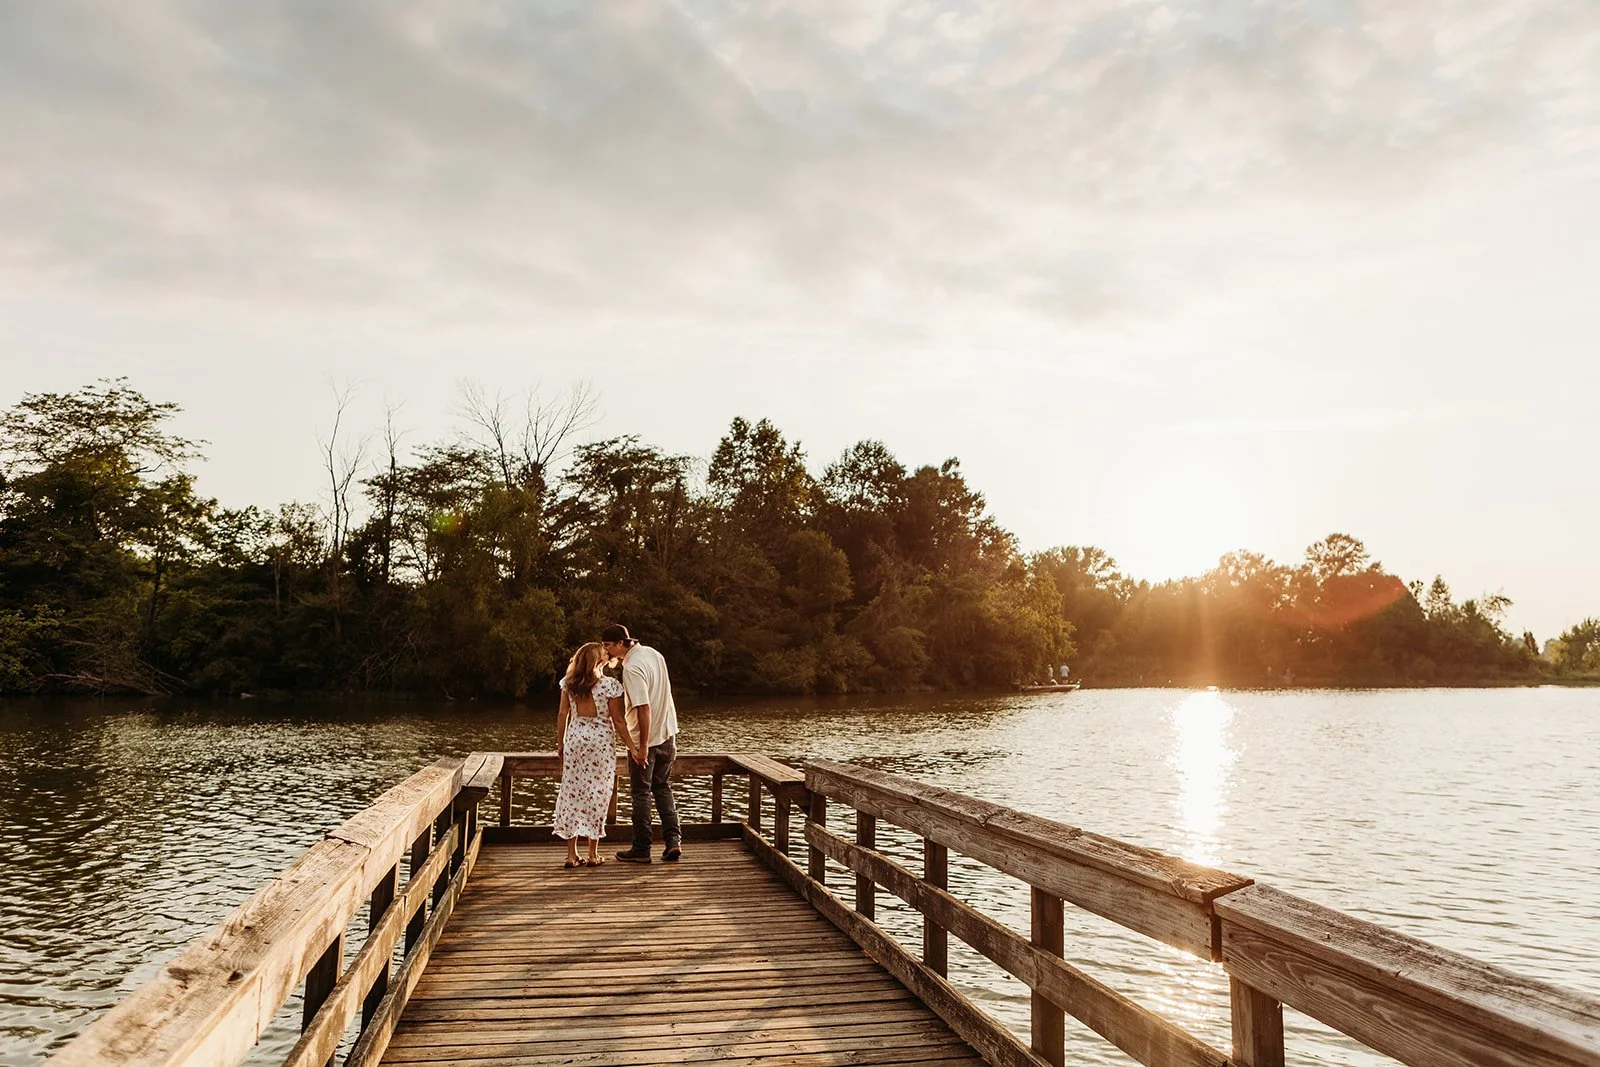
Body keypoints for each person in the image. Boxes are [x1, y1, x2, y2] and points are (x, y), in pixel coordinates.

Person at [552, 642, 642, 869]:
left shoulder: (569, 684)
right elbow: (619, 722)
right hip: (599, 743)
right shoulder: (609, 686)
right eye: (603, 652)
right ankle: (592, 853)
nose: (607, 652)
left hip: (575, 740)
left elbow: (563, 714)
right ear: (597, 660)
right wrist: (633, 747)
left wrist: (560, 743)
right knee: (597, 793)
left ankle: (571, 856)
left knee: (572, 792)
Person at [600, 623, 681, 863]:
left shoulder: (632, 668)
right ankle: (673, 842)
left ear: (620, 644)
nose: (606, 652)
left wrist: (642, 746)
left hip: (646, 738)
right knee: (662, 787)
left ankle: (642, 848)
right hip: (668, 733)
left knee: (641, 793)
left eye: (607, 646)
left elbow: (643, 707)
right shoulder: (654, 654)